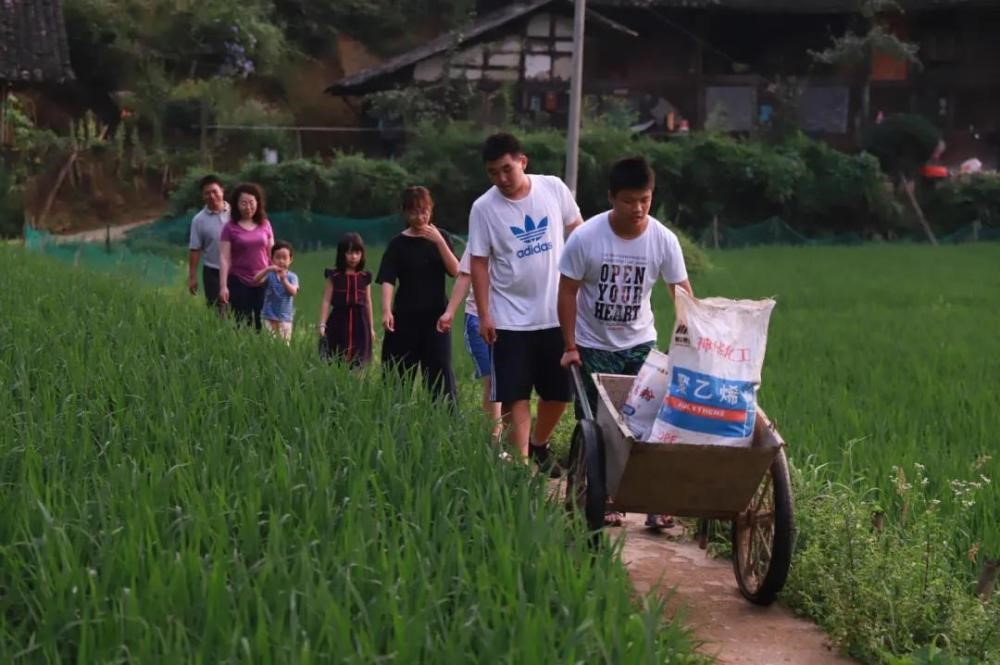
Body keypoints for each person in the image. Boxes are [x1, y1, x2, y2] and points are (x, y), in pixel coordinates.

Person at [557, 156, 693, 530]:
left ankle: (654, 501)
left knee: (649, 423)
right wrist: (570, 345)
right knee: (598, 426)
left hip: (639, 343)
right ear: (611, 198)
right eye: (629, 200)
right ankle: (599, 495)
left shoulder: (663, 239)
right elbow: (567, 292)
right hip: (593, 345)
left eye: (645, 200)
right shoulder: (586, 238)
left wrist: (691, 342)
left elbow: (681, 293)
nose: (638, 208)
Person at [467, 132, 583, 469]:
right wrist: (484, 314)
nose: (501, 179)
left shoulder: (553, 188)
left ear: (522, 161)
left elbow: (577, 230)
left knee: (558, 394)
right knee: (515, 394)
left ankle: (538, 443)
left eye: (507, 169)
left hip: (554, 314)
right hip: (509, 318)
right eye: (493, 173)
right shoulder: (484, 208)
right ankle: (520, 468)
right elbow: (478, 262)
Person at [377, 186, 460, 402]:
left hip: (437, 318)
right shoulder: (397, 244)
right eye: (414, 212)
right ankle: (394, 414)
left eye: (425, 211)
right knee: (398, 373)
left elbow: (456, 271)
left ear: (431, 210)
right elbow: (387, 278)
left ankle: (443, 416)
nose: (420, 217)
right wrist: (386, 310)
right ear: (405, 213)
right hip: (404, 317)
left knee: (439, 372)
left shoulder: (441, 238)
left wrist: (439, 242)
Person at [437, 248, 502, 437]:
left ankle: (512, 437)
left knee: (508, 381)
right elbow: (465, 275)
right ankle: (495, 439)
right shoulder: (479, 240)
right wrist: (449, 312)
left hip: (513, 318)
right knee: (493, 380)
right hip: (478, 318)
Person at [219, 183, 274, 330]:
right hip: (239, 281)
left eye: (251, 202)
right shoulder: (229, 227)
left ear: (258, 203)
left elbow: (272, 253)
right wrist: (223, 286)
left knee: (263, 323)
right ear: (236, 205)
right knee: (242, 323)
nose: (248, 207)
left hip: (263, 281)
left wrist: (280, 278)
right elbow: (224, 258)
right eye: (243, 203)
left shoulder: (265, 224)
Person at [319, 232, 375, 368]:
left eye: (357, 253)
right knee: (336, 356)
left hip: (360, 322)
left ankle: (357, 380)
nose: (353, 257)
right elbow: (326, 300)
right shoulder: (334, 276)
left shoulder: (365, 277)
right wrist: (322, 324)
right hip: (338, 321)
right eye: (349, 253)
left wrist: (371, 327)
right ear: (342, 254)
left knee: (359, 359)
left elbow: (368, 302)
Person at [187, 175, 230, 311]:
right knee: (217, 311)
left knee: (239, 311)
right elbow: (195, 249)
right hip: (212, 271)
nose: (211, 196)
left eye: (215, 191)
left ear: (222, 191)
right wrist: (192, 277)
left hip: (237, 270)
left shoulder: (236, 213)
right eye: (207, 193)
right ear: (202, 196)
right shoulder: (198, 220)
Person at [254, 240, 299, 341]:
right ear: (272, 259)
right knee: (269, 342)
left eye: (284, 258)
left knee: (284, 343)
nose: (281, 261)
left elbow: (293, 292)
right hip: (268, 316)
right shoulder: (270, 275)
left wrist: (284, 280)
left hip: (285, 317)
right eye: (278, 257)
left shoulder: (292, 277)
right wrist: (267, 269)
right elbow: (256, 280)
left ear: (290, 259)